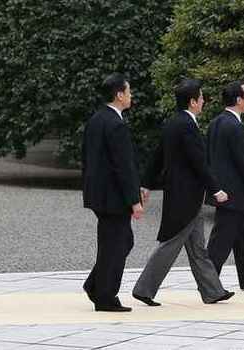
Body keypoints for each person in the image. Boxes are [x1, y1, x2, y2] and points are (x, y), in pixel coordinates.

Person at [132, 79, 236, 306]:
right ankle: (144, 288)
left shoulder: (173, 123)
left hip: (184, 195)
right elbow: (198, 163)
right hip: (186, 197)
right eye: (201, 98)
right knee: (170, 243)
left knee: (198, 248)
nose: (204, 101)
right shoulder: (187, 126)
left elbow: (157, 156)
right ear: (192, 102)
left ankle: (213, 291)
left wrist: (146, 183)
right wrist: (216, 189)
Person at [81, 73, 145, 312]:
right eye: (128, 91)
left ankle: (95, 285)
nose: (130, 96)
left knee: (120, 241)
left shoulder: (96, 119)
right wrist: (134, 200)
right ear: (119, 95)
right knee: (116, 244)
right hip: (114, 196)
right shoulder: (115, 124)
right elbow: (123, 166)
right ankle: (105, 296)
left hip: (99, 194)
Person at [205, 81, 244, 291]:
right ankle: (209, 283)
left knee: (242, 236)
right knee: (221, 240)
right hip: (233, 192)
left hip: (225, 189)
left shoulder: (216, 122)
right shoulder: (235, 126)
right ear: (239, 100)